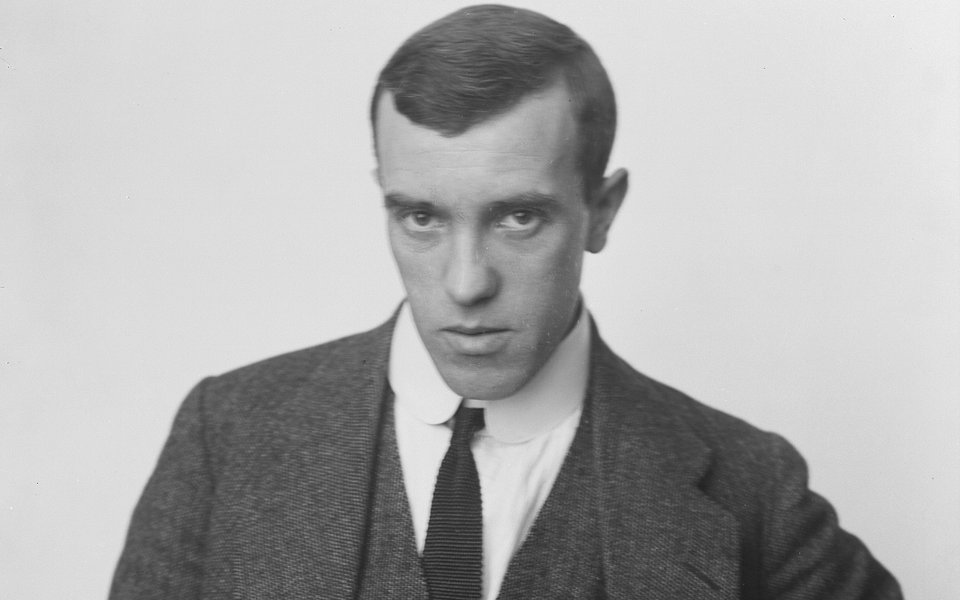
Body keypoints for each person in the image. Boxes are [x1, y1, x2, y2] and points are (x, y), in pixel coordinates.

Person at [109, 5, 901, 599]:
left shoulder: (751, 487)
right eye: (421, 216)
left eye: (518, 217)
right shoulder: (229, 434)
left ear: (601, 211)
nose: (464, 283)